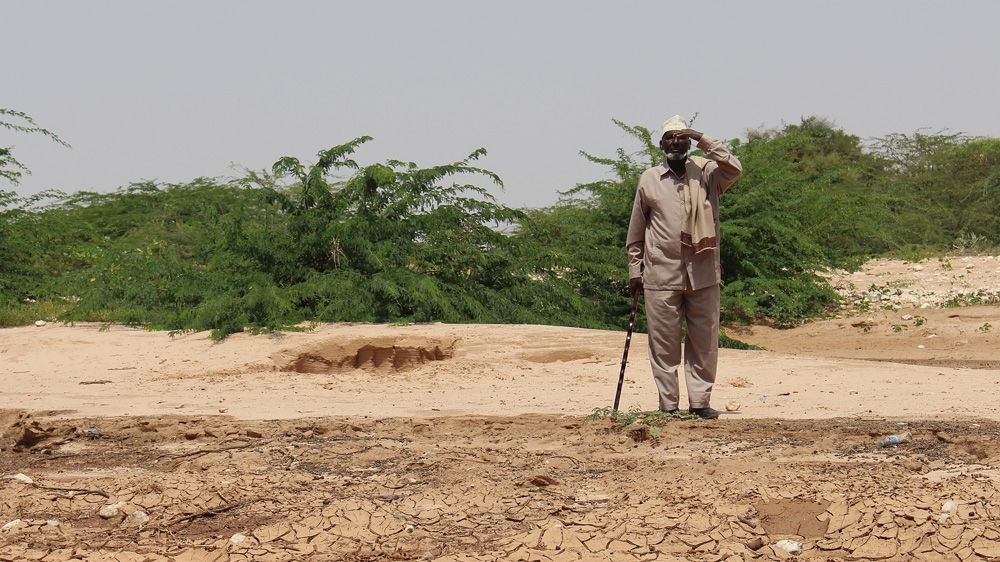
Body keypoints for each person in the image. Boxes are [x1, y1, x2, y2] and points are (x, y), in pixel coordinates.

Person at [625, 115, 742, 419]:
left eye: (682, 137)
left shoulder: (708, 172)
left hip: (703, 274)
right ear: (661, 144)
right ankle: (668, 405)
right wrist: (634, 271)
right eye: (670, 137)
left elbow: (735, 167)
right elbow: (636, 232)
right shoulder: (649, 179)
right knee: (663, 345)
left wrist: (702, 137)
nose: (676, 142)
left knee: (704, 342)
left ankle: (700, 402)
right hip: (660, 275)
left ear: (689, 142)